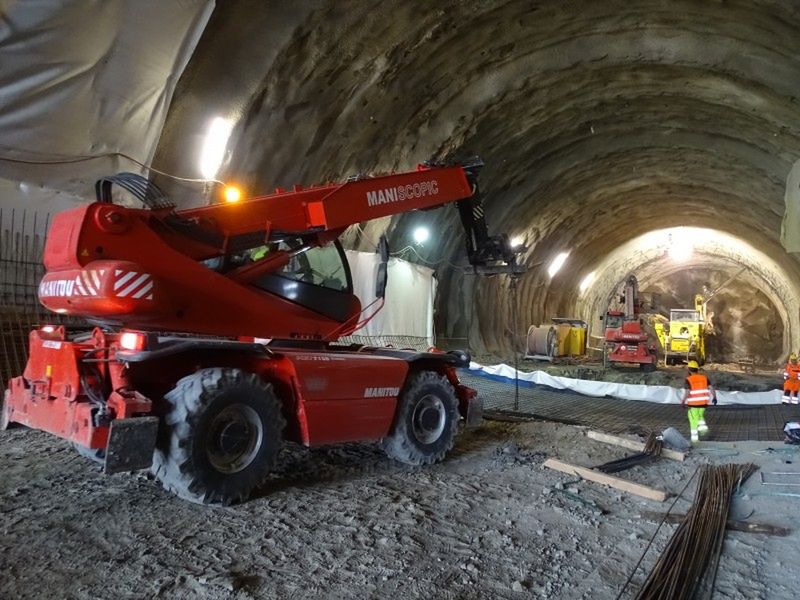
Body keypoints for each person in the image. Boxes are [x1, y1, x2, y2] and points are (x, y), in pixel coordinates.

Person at [680, 360, 716, 443]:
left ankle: (695, 440)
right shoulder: (704, 378)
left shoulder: (688, 379)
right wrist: (714, 397)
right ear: (697, 369)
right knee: (700, 416)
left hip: (693, 405)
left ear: (689, 369)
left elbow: (687, 392)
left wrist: (683, 401)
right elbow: (711, 388)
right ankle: (704, 430)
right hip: (703, 404)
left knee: (693, 421)